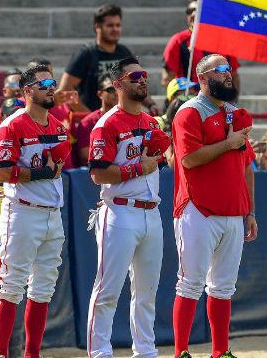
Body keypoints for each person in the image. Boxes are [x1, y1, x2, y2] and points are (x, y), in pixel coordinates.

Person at [171, 54, 257, 358]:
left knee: (223, 287)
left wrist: (250, 211)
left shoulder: (235, 113)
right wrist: (229, 143)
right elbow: (188, 159)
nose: (229, 74)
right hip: (198, 208)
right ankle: (181, 351)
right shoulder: (189, 112)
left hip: (234, 211)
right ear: (204, 77)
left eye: (229, 69)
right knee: (190, 284)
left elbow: (247, 166)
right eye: (221, 71)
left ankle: (221, 352)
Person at [86, 56, 169, 358]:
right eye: (134, 77)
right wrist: (140, 168)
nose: (142, 80)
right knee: (108, 290)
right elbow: (97, 172)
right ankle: (100, 353)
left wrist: (160, 156)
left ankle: (145, 352)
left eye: (144, 75)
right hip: (119, 211)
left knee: (146, 293)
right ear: (118, 84)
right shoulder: (107, 123)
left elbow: (156, 159)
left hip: (151, 212)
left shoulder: (150, 121)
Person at [0, 64, 70, 358]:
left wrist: (48, 171)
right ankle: (2, 354)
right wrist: (40, 173)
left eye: (52, 82)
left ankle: (32, 354)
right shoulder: (13, 124)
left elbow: (59, 167)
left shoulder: (57, 126)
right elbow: (1, 173)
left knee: (43, 289)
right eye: (44, 83)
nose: (52, 87)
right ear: (26, 92)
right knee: (12, 287)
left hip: (52, 212)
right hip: (22, 211)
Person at [59, 4, 159, 114]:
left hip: (121, 119)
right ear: (97, 27)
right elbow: (65, 88)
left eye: (118, 25)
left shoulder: (124, 52)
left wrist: (151, 104)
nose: (115, 29)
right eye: (110, 25)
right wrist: (90, 116)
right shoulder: (86, 54)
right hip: (94, 122)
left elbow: (137, 82)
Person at [162, 0, 241, 99]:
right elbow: (167, 80)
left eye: (198, 10)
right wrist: (183, 102)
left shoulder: (223, 41)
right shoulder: (178, 41)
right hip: (188, 101)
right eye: (190, 10)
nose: (194, 14)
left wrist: (232, 103)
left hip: (218, 102)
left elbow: (234, 76)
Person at [76, 74, 117, 166]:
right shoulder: (88, 122)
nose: (116, 92)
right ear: (100, 94)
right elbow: (85, 156)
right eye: (111, 89)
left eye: (119, 88)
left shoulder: (129, 118)